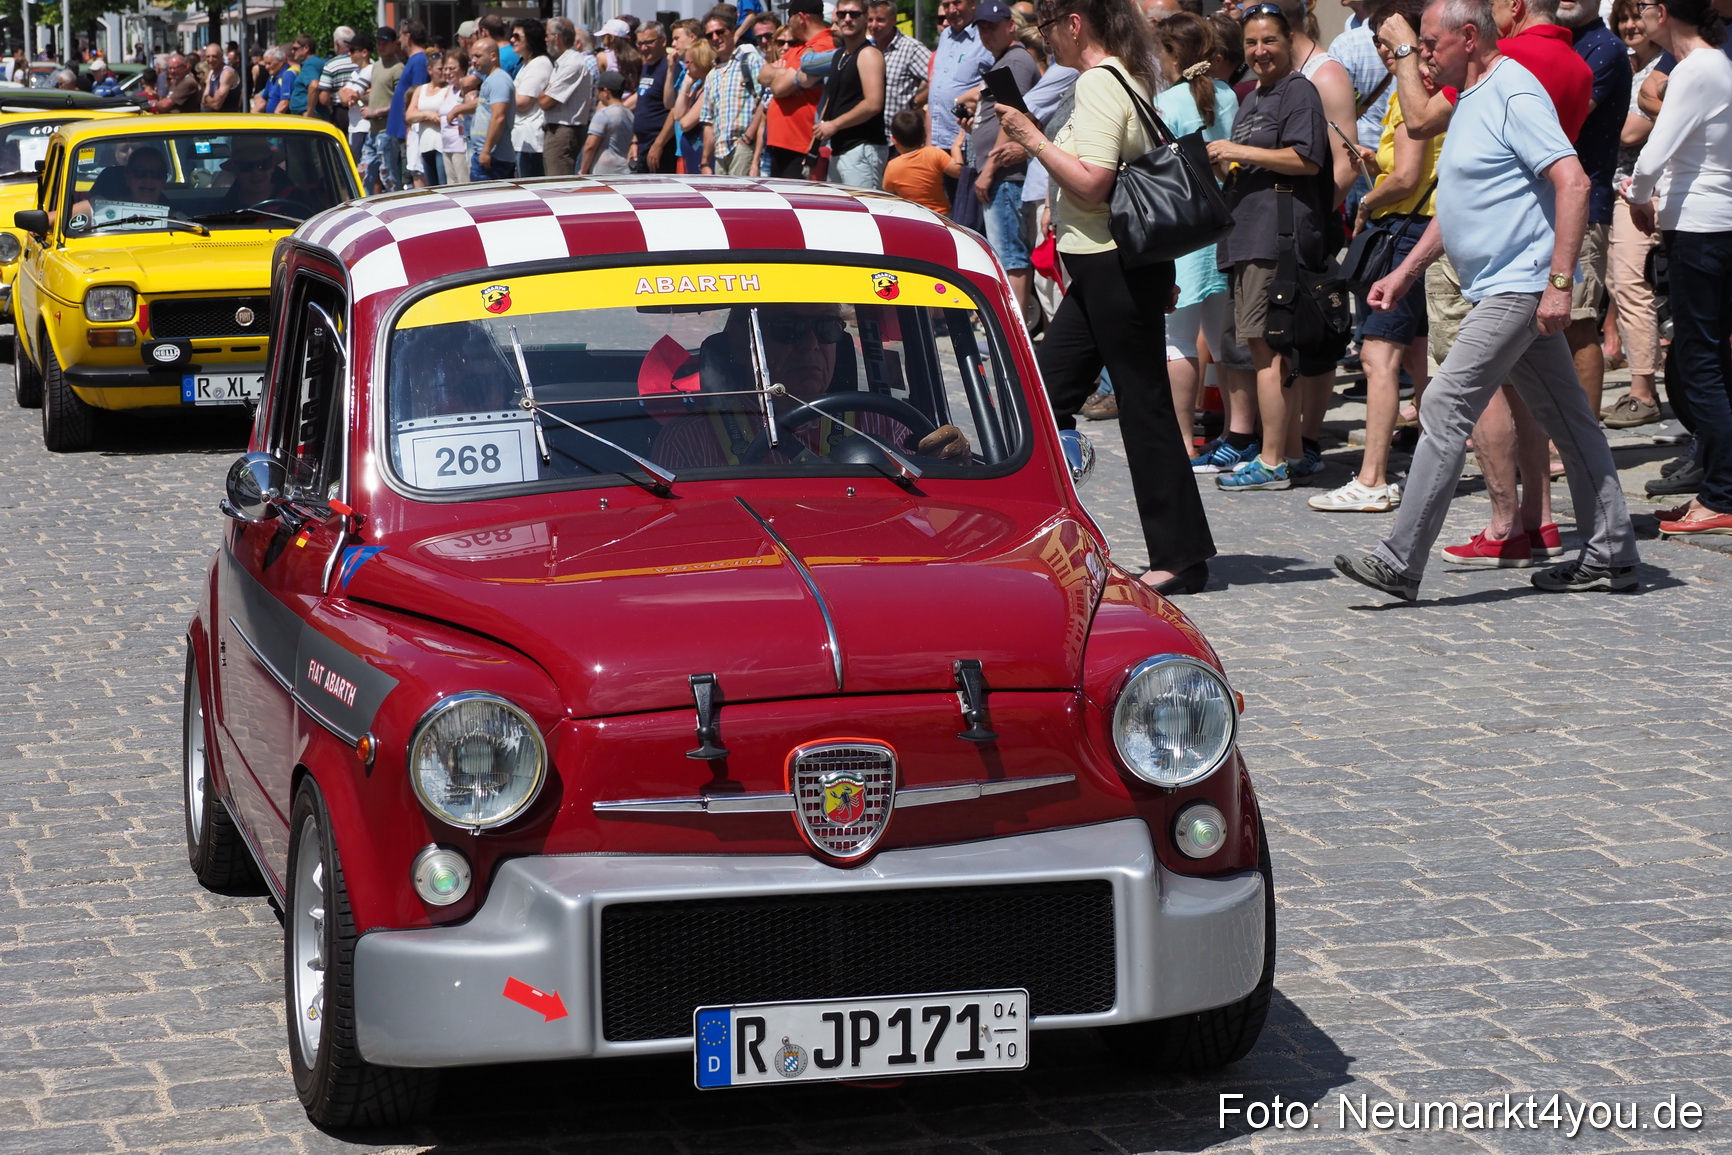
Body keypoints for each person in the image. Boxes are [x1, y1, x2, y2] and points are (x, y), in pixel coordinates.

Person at [1338, 0, 1639, 600]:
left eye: (1431, 42)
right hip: (1502, 285)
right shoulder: (1471, 98)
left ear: (1469, 38)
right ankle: (1611, 552)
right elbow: (1461, 205)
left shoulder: (1513, 91)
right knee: (1569, 420)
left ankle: (1400, 559)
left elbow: (1574, 181)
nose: (1423, 54)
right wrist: (1405, 273)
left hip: (1520, 285)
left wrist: (1559, 286)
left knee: (1444, 403)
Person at [998, 0, 1217, 593]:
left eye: (1048, 29)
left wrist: (1030, 137)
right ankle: (1038, 533)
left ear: (1074, 24)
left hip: (1111, 267)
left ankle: (1180, 556)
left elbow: (1094, 184)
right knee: (1043, 396)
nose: (1046, 41)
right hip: (1112, 268)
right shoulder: (1123, 75)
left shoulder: (1100, 82)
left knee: (1142, 405)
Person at [1312, 0, 1440, 514]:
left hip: (1405, 230)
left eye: (1389, 43)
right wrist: (1374, 163)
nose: (1384, 52)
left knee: (1378, 355)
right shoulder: (1422, 89)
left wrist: (1368, 201)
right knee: (1418, 356)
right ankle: (1434, 465)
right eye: (1380, 45)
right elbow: (1406, 166)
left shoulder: (1415, 93)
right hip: (1419, 229)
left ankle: (1372, 478)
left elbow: (1407, 177)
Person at [1202, 4, 1332, 492]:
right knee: (1270, 348)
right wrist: (1220, 163)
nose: (1260, 51)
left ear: (1289, 41)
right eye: (1251, 43)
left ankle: (1272, 459)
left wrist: (1237, 150)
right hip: (1248, 236)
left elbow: (1306, 159)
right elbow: (1255, 164)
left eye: (1269, 41)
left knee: (1269, 350)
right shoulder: (1254, 96)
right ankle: (1292, 454)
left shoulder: (1298, 90)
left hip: (1275, 239)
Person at [1626, 0, 1732, 535]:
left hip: (1700, 228)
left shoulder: (1696, 69)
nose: (1639, 15)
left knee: (1699, 363)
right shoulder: (1713, 64)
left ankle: (1721, 495)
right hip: (1709, 224)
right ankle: (1718, 487)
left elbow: (1652, 154)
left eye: (1645, 5)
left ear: (1664, 12)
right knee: (1712, 359)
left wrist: (1637, 195)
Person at [652, 303, 970, 467]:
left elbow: (925, 515)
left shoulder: (883, 424)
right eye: (787, 328)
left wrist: (952, 464)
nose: (810, 344)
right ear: (740, 342)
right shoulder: (689, 440)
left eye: (826, 327)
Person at [1558, 0, 1633, 421]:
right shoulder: (1557, 41)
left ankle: (1582, 439)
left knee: (1577, 320)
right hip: (1547, 203)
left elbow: (1564, 119)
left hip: (1584, 209)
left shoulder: (1604, 47)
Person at [1601, 0, 1666, 429]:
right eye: (1622, 18)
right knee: (1619, 285)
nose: (1629, 25)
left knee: (1630, 284)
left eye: (1635, 16)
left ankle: (1643, 390)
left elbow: (1629, 131)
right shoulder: (1626, 66)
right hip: (1616, 188)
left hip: (1644, 192)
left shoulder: (1664, 68)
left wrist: (1596, 117)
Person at [963, 0, 1037, 302]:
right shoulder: (1005, 60)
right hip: (1001, 174)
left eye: (992, 27)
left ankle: (1015, 329)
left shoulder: (1015, 60)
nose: (986, 33)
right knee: (1006, 253)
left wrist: (990, 169)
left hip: (1005, 174)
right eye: (981, 28)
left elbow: (1013, 113)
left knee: (1010, 256)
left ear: (1011, 26)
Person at [808, 0, 888, 186]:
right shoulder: (839, 55)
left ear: (865, 18)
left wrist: (834, 125)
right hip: (839, 149)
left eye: (854, 14)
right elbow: (833, 100)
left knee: (862, 205)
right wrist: (814, 145)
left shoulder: (869, 54)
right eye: (842, 14)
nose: (847, 19)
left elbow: (873, 103)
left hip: (862, 148)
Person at [759, 0, 835, 177]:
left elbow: (778, 88)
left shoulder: (823, 44)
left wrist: (782, 76)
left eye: (790, 15)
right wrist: (784, 74)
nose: (788, 22)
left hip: (801, 146)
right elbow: (762, 75)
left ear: (801, 17)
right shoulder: (799, 46)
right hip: (782, 145)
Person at [699, 9, 767, 174]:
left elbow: (765, 99)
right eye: (709, 35)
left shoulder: (750, 60)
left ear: (732, 31)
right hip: (720, 152)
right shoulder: (712, 75)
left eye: (720, 32)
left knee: (741, 191)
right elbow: (708, 121)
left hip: (743, 147)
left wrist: (749, 135)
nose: (715, 38)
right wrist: (705, 162)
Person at [928, 0, 994, 166]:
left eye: (957, 3)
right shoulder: (945, 36)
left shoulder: (985, 36)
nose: (951, 10)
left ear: (972, 4)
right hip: (938, 141)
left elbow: (998, 83)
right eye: (946, 5)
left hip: (967, 142)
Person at [541, 18, 596, 177]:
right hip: (556, 131)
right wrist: (545, 92)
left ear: (556, 37)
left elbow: (546, 102)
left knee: (558, 185)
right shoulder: (562, 63)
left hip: (563, 132)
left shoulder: (572, 64)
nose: (545, 39)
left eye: (547, 35)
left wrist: (544, 93)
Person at [869, 0, 932, 135]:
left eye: (880, 20)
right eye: (870, 20)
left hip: (898, 137)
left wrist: (917, 101)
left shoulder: (911, 49)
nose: (874, 25)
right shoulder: (867, 48)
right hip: (870, 136)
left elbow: (940, 79)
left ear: (894, 20)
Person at [883, 107, 964, 211]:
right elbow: (959, 172)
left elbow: (889, 196)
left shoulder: (892, 166)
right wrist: (956, 148)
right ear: (925, 136)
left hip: (911, 215)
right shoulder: (934, 153)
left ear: (894, 140)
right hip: (940, 214)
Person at [70, 146, 172, 226]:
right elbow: (61, 218)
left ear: (164, 180)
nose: (148, 180)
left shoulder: (177, 221)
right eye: (140, 172)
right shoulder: (101, 207)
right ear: (128, 178)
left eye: (157, 173)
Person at [362, 29, 404, 193]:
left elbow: (399, 102)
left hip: (387, 131)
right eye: (378, 43)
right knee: (364, 172)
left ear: (394, 44)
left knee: (388, 175)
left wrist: (375, 112)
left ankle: (396, 203)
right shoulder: (376, 66)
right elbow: (378, 93)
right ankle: (364, 203)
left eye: (385, 43)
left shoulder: (398, 69)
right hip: (372, 130)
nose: (381, 47)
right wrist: (362, 98)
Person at [508, 20, 551, 177]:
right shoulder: (527, 65)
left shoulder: (540, 64)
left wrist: (503, 93)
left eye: (517, 36)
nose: (512, 40)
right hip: (520, 139)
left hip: (530, 141)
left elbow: (522, 102)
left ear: (531, 38)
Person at [471, 37, 516, 180]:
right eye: (472, 56)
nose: (473, 60)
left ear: (493, 56)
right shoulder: (491, 79)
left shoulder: (499, 80)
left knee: (484, 194)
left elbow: (499, 117)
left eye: (478, 56)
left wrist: (486, 151)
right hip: (487, 156)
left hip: (494, 159)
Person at [406, 52, 451, 186]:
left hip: (442, 145)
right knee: (431, 186)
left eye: (446, 69)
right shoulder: (420, 90)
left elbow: (444, 117)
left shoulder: (449, 89)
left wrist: (419, 116)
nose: (444, 72)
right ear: (430, 70)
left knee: (443, 184)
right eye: (440, 69)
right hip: (425, 145)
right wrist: (427, 115)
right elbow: (409, 116)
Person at [217, 137, 294, 208]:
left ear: (272, 166)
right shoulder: (225, 210)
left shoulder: (294, 199)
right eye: (246, 166)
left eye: (263, 164)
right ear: (235, 171)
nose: (256, 173)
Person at [583, 70, 633, 173]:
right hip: (625, 171)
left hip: (604, 172)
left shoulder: (603, 114)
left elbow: (590, 146)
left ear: (606, 92)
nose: (597, 95)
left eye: (598, 91)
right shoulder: (630, 115)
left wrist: (583, 170)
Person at [433, 53, 471, 185]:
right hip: (446, 145)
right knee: (451, 185)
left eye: (452, 69)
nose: (448, 72)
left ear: (463, 69)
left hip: (460, 146)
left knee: (463, 184)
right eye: (446, 69)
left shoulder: (466, 91)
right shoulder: (449, 89)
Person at [308, 27, 356, 125]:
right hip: (361, 110)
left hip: (340, 113)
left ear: (337, 44)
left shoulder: (331, 64)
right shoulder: (367, 61)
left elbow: (324, 98)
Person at [288, 35, 324, 116]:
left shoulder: (310, 64)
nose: (293, 52)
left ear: (306, 48)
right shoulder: (315, 62)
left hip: (306, 114)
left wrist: (309, 113)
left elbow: (314, 85)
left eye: (295, 49)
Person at [201, 42, 241, 111]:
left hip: (228, 117)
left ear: (221, 56)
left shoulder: (227, 73)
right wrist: (210, 99)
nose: (210, 60)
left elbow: (216, 105)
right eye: (208, 56)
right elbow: (203, 102)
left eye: (214, 56)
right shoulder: (211, 73)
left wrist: (207, 98)